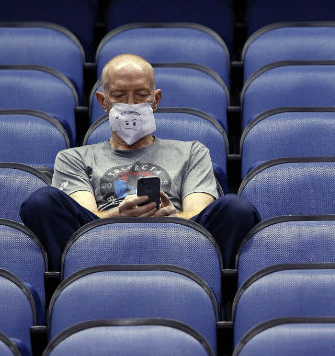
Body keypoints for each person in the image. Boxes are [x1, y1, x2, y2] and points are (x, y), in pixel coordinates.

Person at [20, 54, 260, 270]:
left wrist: (172, 217)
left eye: (141, 95)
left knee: (235, 208)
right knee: (43, 201)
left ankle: (200, 275)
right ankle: (80, 271)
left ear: (156, 99)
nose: (131, 105)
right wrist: (118, 215)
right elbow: (87, 216)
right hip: (101, 243)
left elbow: (198, 211)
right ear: (103, 102)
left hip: (177, 241)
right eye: (119, 96)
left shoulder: (191, 152)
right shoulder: (74, 158)